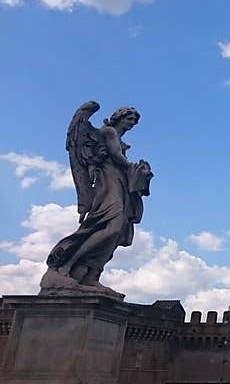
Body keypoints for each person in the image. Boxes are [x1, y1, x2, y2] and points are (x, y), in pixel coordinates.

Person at [45, 104, 153, 288]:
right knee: (112, 226)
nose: (132, 123)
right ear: (119, 117)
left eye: (134, 121)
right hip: (108, 181)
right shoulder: (109, 132)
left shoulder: (117, 137)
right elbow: (117, 157)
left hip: (120, 182)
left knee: (118, 231)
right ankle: (66, 266)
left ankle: (91, 275)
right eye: (129, 119)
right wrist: (137, 168)